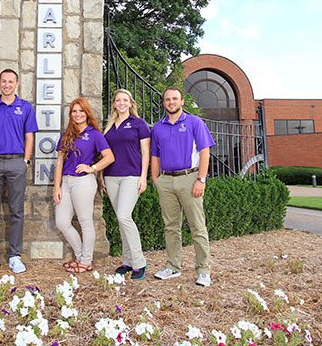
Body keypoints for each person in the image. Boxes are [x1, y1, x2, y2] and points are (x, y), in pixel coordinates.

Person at [150, 86, 215, 287]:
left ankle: (203, 270)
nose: (171, 102)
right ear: (163, 103)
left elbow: (205, 151)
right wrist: (156, 180)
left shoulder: (195, 122)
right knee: (170, 226)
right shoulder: (158, 127)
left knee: (197, 226)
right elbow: (155, 156)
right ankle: (172, 266)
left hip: (190, 178)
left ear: (182, 101)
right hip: (166, 180)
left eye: (175, 99)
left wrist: (201, 179)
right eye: (167, 99)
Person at [0, 69, 38, 275]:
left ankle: (14, 256)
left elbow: (29, 136)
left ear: (17, 83)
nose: (7, 85)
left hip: (16, 163)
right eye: (3, 81)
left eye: (10, 81)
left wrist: (26, 160)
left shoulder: (25, 108)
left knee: (16, 211)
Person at [53, 98, 114, 273]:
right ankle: (80, 256)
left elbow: (109, 157)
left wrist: (92, 168)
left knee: (85, 221)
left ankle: (86, 261)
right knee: (62, 222)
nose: (77, 114)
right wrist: (57, 187)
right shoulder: (67, 134)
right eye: (74, 111)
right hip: (65, 181)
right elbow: (59, 162)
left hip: (83, 182)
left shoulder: (94, 134)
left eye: (81, 111)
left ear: (87, 113)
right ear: (71, 114)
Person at [102, 89, 150, 280]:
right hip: (111, 177)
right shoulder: (109, 127)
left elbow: (145, 152)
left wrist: (143, 176)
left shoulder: (139, 124)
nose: (121, 103)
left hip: (131, 175)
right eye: (118, 100)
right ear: (114, 104)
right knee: (122, 220)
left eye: (125, 100)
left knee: (124, 216)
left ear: (131, 103)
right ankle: (127, 262)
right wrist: (101, 177)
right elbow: (104, 154)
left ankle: (140, 262)